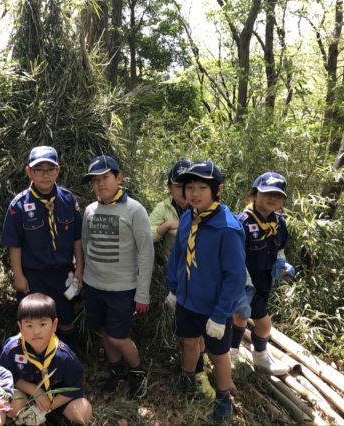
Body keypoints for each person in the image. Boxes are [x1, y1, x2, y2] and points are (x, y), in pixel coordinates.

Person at [165, 160, 246, 422]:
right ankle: (188, 378)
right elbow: (178, 255)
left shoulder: (227, 228)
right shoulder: (188, 217)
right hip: (187, 301)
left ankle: (224, 397)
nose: (194, 193)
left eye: (202, 187)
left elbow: (234, 277)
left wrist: (221, 314)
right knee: (189, 342)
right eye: (189, 187)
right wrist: (174, 288)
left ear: (217, 190)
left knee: (218, 354)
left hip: (214, 308)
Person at [81, 155, 154, 398]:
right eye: (95, 180)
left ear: (119, 177)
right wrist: (82, 277)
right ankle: (116, 370)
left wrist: (142, 292)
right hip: (93, 285)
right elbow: (85, 244)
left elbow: (146, 251)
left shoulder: (134, 210)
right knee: (103, 331)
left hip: (122, 288)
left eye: (105, 178)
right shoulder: (90, 210)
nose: (100, 184)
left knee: (119, 336)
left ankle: (137, 371)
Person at [0, 146, 83, 351]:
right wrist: (18, 275)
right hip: (34, 275)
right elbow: (14, 244)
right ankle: (36, 367)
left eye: (50, 169)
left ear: (58, 171)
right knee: (34, 324)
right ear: (29, 171)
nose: (45, 175)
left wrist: (80, 269)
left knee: (65, 319)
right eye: (39, 170)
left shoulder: (68, 200)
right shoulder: (18, 205)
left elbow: (77, 239)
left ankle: (68, 361)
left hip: (63, 274)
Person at [149, 159, 214, 398]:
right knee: (189, 332)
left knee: (199, 331)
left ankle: (199, 368)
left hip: (203, 280)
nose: (186, 193)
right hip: (177, 279)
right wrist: (167, 225)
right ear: (170, 187)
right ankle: (194, 370)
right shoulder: (165, 208)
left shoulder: (208, 209)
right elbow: (148, 235)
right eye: (180, 187)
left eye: (190, 186)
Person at [229, 172, 295, 375]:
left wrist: (282, 262)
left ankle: (231, 352)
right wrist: (243, 283)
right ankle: (260, 355)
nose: (272, 198)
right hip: (244, 280)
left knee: (240, 317)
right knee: (264, 325)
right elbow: (234, 254)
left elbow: (280, 247)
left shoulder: (279, 222)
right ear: (255, 194)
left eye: (277, 195)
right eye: (267, 193)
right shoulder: (242, 222)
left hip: (265, 279)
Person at [0, 293, 92, 425]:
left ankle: (52, 416)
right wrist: (34, 391)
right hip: (27, 396)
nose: (36, 331)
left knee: (84, 412)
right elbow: (5, 377)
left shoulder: (65, 356)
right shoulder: (11, 350)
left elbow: (75, 387)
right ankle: (25, 415)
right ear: (20, 327)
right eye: (29, 325)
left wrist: (47, 408)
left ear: (54, 325)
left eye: (42, 324)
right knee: (13, 403)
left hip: (57, 400)